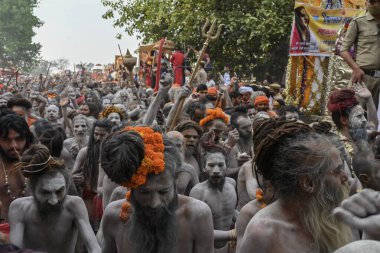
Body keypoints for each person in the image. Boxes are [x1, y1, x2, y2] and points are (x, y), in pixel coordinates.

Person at [239, 120, 352, 253]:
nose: (346, 177)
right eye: (337, 171)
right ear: (308, 183)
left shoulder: (335, 212)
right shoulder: (264, 232)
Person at [100, 127, 214, 253]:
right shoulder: (114, 215)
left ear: (175, 180)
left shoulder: (197, 214)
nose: (154, 203)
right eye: (144, 192)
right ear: (131, 187)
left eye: (163, 191)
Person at [8, 144, 100, 253]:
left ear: (67, 186)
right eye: (45, 192)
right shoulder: (19, 208)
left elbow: (94, 247)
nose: (53, 201)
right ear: (32, 190)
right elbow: (14, 250)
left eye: (59, 191)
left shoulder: (75, 205)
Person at [190, 148, 237, 251]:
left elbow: (230, 211)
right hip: (206, 248)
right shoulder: (198, 192)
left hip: (229, 246)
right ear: (203, 167)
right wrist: (233, 234)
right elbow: (196, 230)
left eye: (220, 165)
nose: (216, 171)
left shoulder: (232, 184)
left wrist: (245, 221)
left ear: (227, 166)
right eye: (211, 165)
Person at [72, 119, 113, 231]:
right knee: (90, 228)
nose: (98, 138)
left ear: (110, 134)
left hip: (107, 195)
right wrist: (74, 179)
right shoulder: (85, 152)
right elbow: (73, 174)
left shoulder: (114, 153)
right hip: (89, 195)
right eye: (96, 134)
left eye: (102, 135)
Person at [340, 0, 380, 109]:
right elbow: (343, 50)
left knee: (375, 121)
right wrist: (356, 69)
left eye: (377, 2)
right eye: (371, 1)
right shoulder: (358, 22)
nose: (373, 4)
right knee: (356, 114)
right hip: (363, 78)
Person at [0, 112, 34, 222]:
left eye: (19, 139)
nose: (13, 145)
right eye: (6, 139)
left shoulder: (38, 161)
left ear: (27, 138)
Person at [166, 131, 199, 196]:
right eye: (172, 145)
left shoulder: (189, 169)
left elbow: (199, 192)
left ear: (183, 146)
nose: (175, 149)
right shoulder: (158, 167)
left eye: (178, 145)